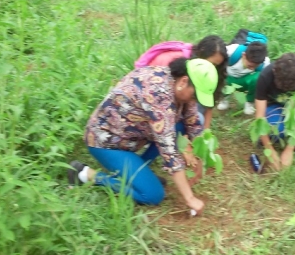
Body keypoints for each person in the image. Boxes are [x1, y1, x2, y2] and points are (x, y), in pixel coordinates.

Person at [68, 58, 219, 215]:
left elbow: (192, 121)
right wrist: (190, 198)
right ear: (183, 81)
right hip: (106, 141)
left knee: (180, 125)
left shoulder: (174, 80)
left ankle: (140, 174)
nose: (194, 101)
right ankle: (84, 174)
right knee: (153, 194)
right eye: (195, 96)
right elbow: (169, 153)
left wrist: (199, 158)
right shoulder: (158, 96)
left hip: (132, 135)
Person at [135, 35, 228, 129]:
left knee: (198, 119)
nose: (212, 68)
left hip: (171, 99)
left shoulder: (206, 73)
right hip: (149, 105)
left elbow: (207, 106)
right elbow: (164, 130)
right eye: (211, 64)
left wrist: (204, 134)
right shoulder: (170, 65)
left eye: (216, 66)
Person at [216, 41, 270, 115]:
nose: (251, 69)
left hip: (246, 82)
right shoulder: (232, 51)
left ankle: (249, 102)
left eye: (255, 67)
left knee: (259, 78)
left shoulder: (265, 63)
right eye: (250, 66)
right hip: (228, 79)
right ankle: (224, 99)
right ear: (244, 55)